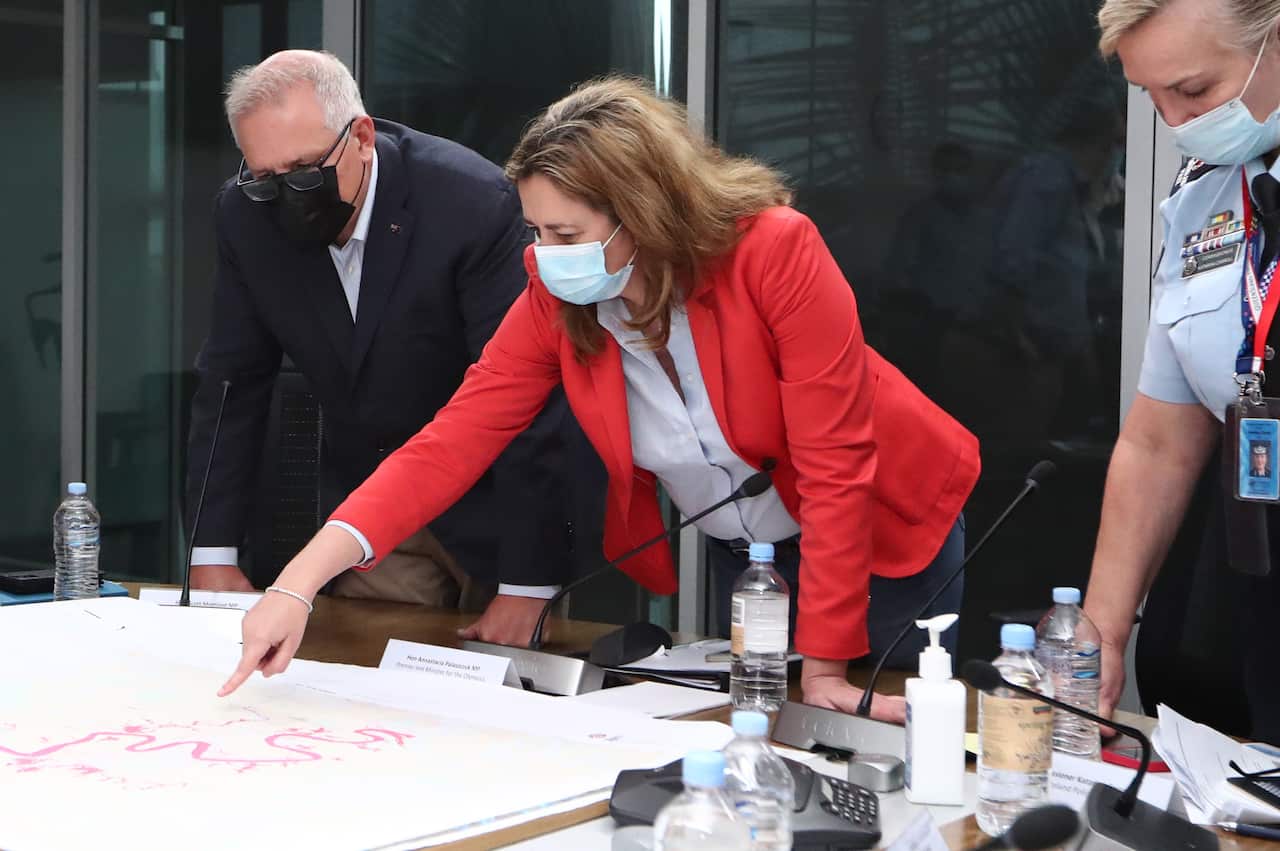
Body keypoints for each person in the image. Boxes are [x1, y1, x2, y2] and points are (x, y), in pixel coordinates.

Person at [218, 76, 981, 720]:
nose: (542, 256)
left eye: (565, 232)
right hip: (749, 552)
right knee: (754, 727)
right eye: (535, 230)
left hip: (884, 528)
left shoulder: (773, 250)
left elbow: (836, 463)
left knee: (865, 727)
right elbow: (448, 444)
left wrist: (823, 670)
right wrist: (298, 582)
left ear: (642, 212)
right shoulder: (558, 294)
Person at [186, 49, 600, 646]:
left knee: (502, 690)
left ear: (361, 137)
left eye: (304, 171)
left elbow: (527, 397)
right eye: (265, 178)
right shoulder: (247, 214)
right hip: (373, 508)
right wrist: (212, 548)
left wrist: (528, 585)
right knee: (369, 680)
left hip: (497, 500)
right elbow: (231, 381)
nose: (288, 195)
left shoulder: (471, 202)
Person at [1088, 0, 1280, 744]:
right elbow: (1159, 442)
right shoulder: (1204, 196)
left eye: (1194, 91)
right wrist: (1098, 632)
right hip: (1251, 562)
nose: (1174, 123)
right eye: (1150, 96)